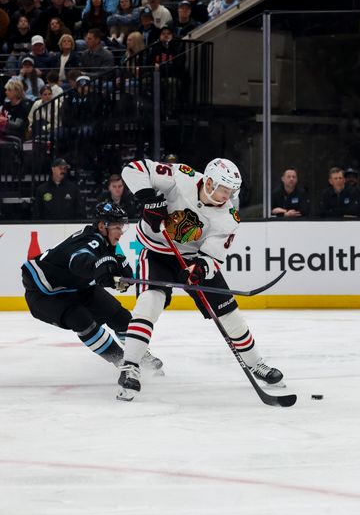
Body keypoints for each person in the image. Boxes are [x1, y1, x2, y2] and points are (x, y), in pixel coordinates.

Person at [115, 157, 284, 401]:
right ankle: (130, 366)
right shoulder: (181, 177)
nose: (227, 196)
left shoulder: (228, 218)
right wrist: (148, 199)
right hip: (155, 253)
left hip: (192, 259)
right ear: (210, 183)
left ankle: (256, 363)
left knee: (228, 312)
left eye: (230, 191)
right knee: (149, 302)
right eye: (224, 189)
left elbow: (213, 255)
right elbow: (134, 169)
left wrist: (199, 269)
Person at [21, 201, 163, 370]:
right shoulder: (91, 241)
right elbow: (79, 261)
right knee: (81, 319)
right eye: (117, 227)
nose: (121, 232)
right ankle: (121, 361)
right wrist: (97, 267)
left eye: (122, 227)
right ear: (103, 226)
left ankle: (136, 354)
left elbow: (106, 269)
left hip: (78, 287)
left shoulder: (106, 243)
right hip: (44, 293)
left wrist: (117, 278)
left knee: (119, 316)